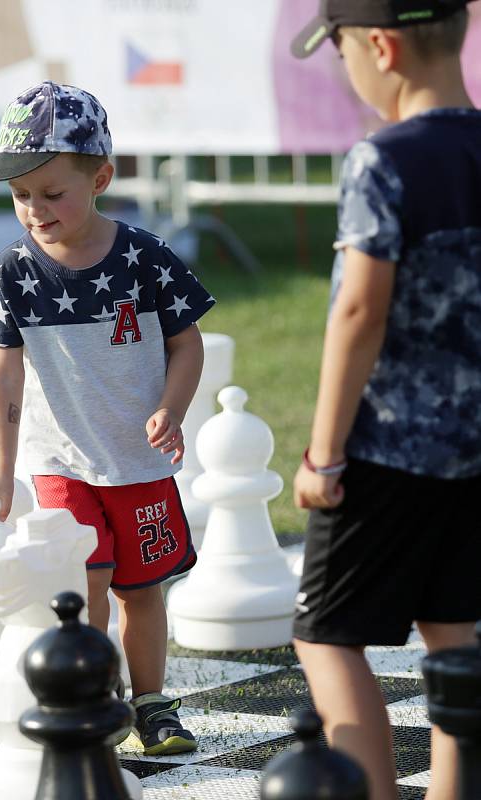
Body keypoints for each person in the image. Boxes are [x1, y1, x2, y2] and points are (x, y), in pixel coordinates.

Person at [0, 80, 215, 756]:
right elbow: (3, 368)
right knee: (87, 583)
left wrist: (171, 407)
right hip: (58, 464)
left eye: (51, 192)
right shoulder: (9, 272)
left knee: (142, 591)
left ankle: (151, 702)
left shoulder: (144, 255)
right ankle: (97, 700)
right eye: (20, 197)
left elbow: (186, 341)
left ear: (100, 177)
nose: (34, 210)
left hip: (137, 462)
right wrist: (4, 469)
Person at [290, 2, 481, 799]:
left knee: (326, 636)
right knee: (451, 642)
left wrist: (322, 453)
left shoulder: (383, 159)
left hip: (383, 451)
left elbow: (360, 312)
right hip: (473, 451)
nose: (345, 74)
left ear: (381, 45)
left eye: (340, 55)